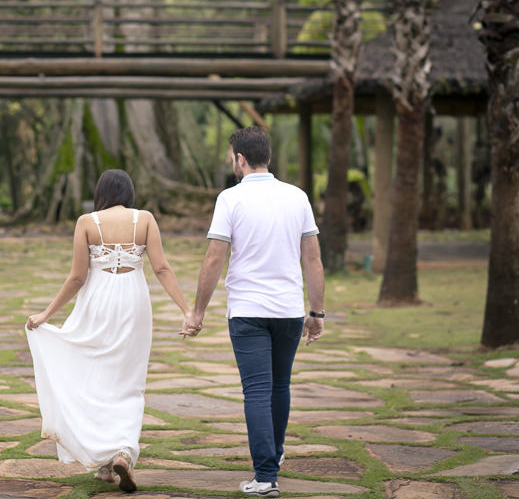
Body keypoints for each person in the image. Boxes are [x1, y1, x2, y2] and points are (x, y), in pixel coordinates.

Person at [26, 169, 193, 492]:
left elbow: (77, 277)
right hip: (133, 301)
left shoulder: (87, 222)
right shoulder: (144, 219)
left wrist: (47, 313)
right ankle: (121, 455)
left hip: (98, 302)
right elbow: (161, 268)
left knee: (95, 377)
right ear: (129, 193)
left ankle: (104, 462)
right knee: (129, 382)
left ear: (101, 192)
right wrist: (186, 310)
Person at [184, 126, 325, 498]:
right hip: (289, 310)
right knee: (279, 386)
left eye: (232, 157)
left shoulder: (230, 199)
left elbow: (215, 258)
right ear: (268, 157)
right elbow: (311, 257)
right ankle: (271, 461)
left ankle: (265, 476)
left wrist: (197, 311)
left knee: (258, 391)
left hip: (247, 311)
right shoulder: (298, 197)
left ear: (240, 160)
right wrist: (317, 312)